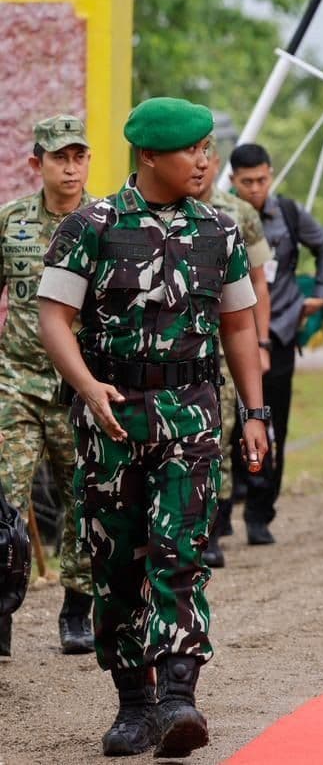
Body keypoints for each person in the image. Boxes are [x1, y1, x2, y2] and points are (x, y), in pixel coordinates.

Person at [36, 97, 269, 757]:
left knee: (181, 553)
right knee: (116, 561)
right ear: (149, 157)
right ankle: (133, 701)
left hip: (191, 412)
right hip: (113, 417)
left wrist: (254, 411)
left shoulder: (219, 231)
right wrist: (86, 386)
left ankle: (177, 698)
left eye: (207, 148)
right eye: (193, 151)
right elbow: (53, 317)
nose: (206, 160)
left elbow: (239, 326)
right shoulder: (92, 226)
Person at [0, 115, 95, 657]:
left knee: (80, 496)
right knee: (5, 498)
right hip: (15, 381)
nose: (70, 167)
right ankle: (3, 614)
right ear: (38, 163)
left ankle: (76, 610)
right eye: (60, 157)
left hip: (78, 386)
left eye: (79, 156)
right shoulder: (10, 220)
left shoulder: (104, 222)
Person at [227, 143, 323, 547]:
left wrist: (321, 292)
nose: (256, 188)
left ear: (270, 175)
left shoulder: (288, 214)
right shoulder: (221, 213)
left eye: (262, 179)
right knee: (226, 424)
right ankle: (223, 508)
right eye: (247, 182)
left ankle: (260, 512)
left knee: (272, 425)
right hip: (230, 333)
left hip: (280, 331)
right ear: (233, 181)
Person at [193, 145, 273, 568]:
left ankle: (214, 528)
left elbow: (258, 284)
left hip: (227, 348)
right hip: (178, 348)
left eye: (206, 156)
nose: (199, 166)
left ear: (216, 163)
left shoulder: (238, 215)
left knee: (221, 436)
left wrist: (261, 345)